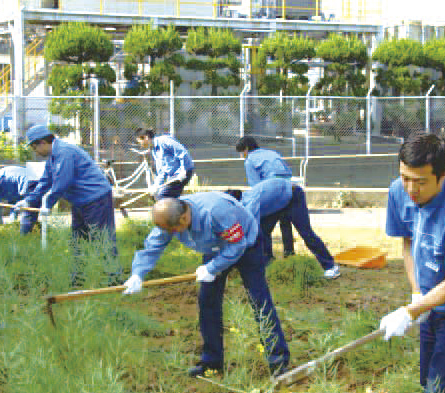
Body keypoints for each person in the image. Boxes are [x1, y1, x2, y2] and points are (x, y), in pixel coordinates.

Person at [123, 194, 290, 378]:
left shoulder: (216, 211)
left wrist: (212, 268)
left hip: (245, 243)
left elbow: (237, 245)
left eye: (174, 230)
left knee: (258, 299)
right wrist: (137, 274)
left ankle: (277, 360)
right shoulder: (170, 216)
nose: (172, 234)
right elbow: (152, 246)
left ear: (184, 218)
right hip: (214, 248)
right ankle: (212, 362)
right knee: (207, 302)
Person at [381, 133, 445, 393]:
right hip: (430, 305)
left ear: (442, 175)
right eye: (405, 178)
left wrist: (411, 311)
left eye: (420, 182)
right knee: (429, 386)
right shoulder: (398, 192)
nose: (411, 189)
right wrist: (417, 294)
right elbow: (408, 242)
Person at [14, 125, 118, 287]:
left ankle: (113, 279)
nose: (35, 152)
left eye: (34, 147)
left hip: (96, 198)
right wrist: (29, 200)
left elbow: (63, 182)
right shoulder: (52, 157)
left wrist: (47, 204)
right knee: (78, 240)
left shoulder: (64, 153)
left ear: (42, 142)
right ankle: (78, 279)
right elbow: (45, 181)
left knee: (102, 238)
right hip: (79, 201)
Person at [225, 178, 340, 279]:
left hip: (293, 195)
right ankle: (268, 264)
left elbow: (250, 235)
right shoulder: (244, 199)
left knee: (306, 233)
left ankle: (330, 266)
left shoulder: (250, 205)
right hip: (277, 200)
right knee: (264, 232)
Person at [235, 136, 295, 257]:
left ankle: (267, 255)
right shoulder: (272, 153)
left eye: (242, 152)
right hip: (288, 189)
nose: (242, 155)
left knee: (264, 226)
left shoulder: (250, 160)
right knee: (285, 222)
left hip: (272, 192)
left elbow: (256, 187)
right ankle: (289, 253)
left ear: (246, 149)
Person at [135, 128, 194, 199]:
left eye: (140, 141)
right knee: (163, 196)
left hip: (183, 173)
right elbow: (161, 172)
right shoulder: (154, 150)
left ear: (146, 137)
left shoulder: (163, 141)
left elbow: (182, 152)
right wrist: (156, 186)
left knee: (163, 196)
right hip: (173, 176)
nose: (140, 145)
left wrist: (183, 171)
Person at [0, 166, 40, 234]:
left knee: (28, 211)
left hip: (27, 181)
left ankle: (24, 237)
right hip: (34, 179)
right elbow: (13, 205)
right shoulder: (0, 179)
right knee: (32, 209)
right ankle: (30, 232)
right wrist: (12, 222)